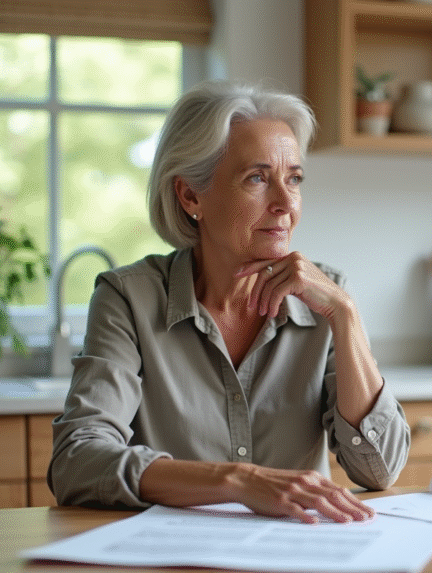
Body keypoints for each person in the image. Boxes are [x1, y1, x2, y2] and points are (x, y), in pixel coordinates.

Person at [48, 80, 410, 524]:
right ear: (190, 195)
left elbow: (379, 470)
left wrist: (346, 315)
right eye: (257, 177)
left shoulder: (328, 298)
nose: (284, 204)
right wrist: (237, 481)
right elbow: (78, 462)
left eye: (293, 178)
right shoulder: (129, 298)